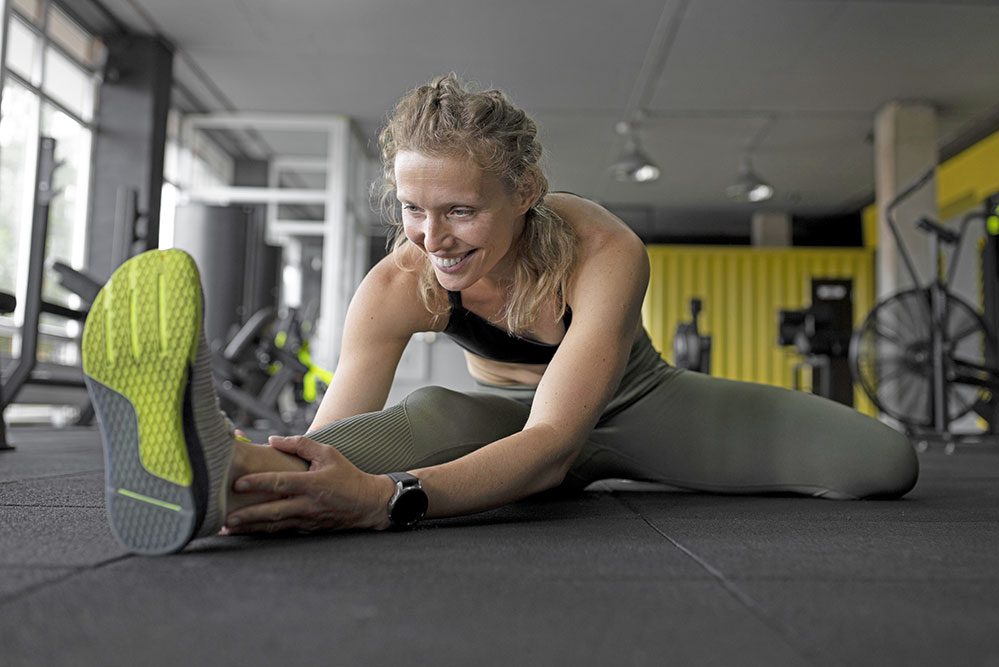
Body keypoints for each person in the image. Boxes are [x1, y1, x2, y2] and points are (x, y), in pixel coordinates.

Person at [82, 75, 918, 555]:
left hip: (639, 409)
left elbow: (556, 445)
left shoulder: (604, 249)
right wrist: (310, 481)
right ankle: (219, 461)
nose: (431, 237)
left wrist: (388, 500)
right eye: (413, 207)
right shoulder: (392, 288)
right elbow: (335, 435)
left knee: (883, 463)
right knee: (418, 418)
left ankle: (226, 468)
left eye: (460, 211)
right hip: (496, 416)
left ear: (524, 193)